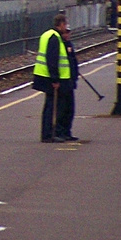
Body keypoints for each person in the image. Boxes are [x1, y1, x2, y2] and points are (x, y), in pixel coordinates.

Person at [32, 13, 73, 143]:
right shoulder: (54, 38)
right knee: (52, 107)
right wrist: (55, 79)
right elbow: (52, 60)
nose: (65, 27)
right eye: (65, 24)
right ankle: (48, 134)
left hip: (44, 75)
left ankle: (49, 133)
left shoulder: (47, 34)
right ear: (60, 24)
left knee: (50, 106)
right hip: (49, 77)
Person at [56, 27, 79, 142]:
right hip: (63, 80)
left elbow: (73, 61)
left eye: (68, 32)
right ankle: (60, 132)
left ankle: (67, 131)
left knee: (70, 109)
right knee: (62, 109)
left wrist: (75, 77)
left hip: (70, 80)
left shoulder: (69, 44)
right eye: (65, 33)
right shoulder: (60, 45)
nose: (67, 35)